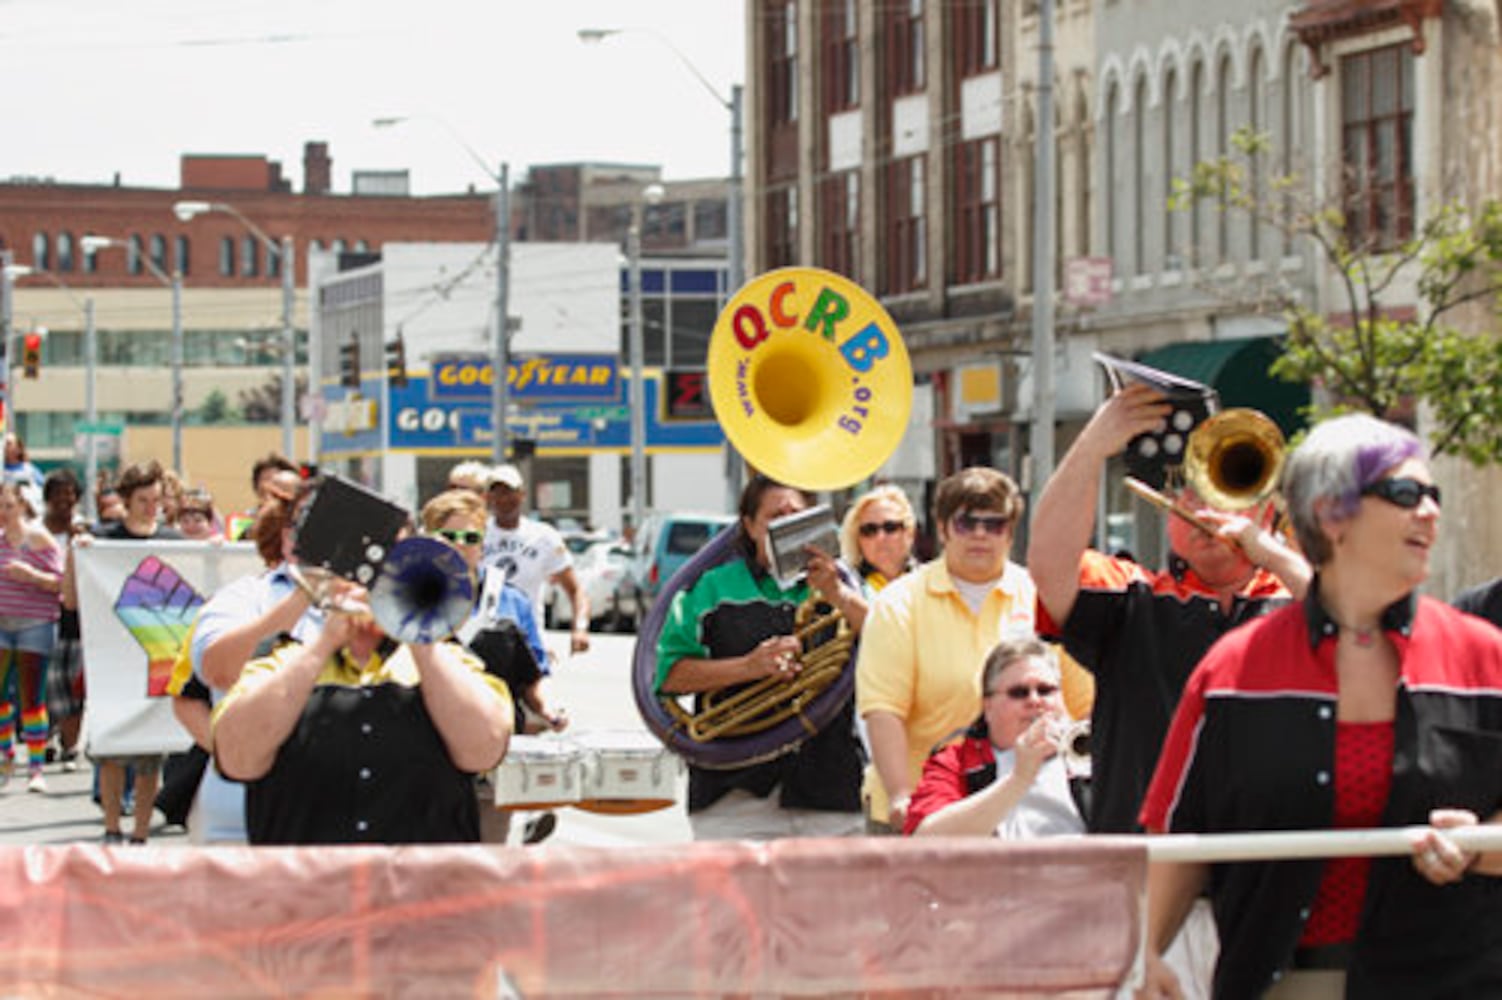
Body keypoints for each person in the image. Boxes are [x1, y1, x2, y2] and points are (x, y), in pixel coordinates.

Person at [1139, 414, 1502, 999]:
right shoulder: (1231, 670)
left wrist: (1483, 845)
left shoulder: (1487, 657)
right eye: (1406, 494)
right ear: (1331, 514)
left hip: (1454, 981)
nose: (1431, 511)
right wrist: (1145, 953)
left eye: (1433, 495)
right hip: (1278, 984)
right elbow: (1181, 836)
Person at [1027, 381, 1312, 835]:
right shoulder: (1132, 595)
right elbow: (1047, 563)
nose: (1206, 508)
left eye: (1225, 489)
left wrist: (1270, 553)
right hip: (1148, 861)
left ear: (1265, 511)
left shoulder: (1296, 595)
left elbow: (1353, 625)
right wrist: (1092, 446)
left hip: (1264, 863)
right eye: (1189, 491)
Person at [211, 575, 513, 845]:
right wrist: (324, 643)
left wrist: (418, 638)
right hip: (306, 891)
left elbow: (482, 752)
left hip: (423, 891)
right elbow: (239, 760)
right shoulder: (283, 659)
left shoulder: (447, 658)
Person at [656, 474, 868, 840]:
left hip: (829, 786)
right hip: (734, 791)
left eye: (796, 515)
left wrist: (838, 594)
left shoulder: (841, 586)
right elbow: (669, 675)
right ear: (750, 526)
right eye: (775, 516)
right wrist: (747, 667)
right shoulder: (711, 586)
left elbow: (890, 643)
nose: (787, 524)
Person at [855, 467, 1051, 834]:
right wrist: (901, 796)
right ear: (943, 529)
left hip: (1023, 808)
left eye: (994, 524)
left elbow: (1076, 702)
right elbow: (883, 710)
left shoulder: (1040, 596)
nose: (980, 534)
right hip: (922, 807)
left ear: (1010, 533)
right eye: (966, 523)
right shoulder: (898, 602)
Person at [174, 479, 323, 843]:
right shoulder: (242, 597)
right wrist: (310, 592)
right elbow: (217, 671)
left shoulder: (383, 604)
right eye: (310, 525)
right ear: (289, 538)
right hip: (246, 812)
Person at [422, 488, 563, 845]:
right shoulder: (407, 596)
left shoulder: (509, 600)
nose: (459, 546)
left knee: (484, 868)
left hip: (492, 758)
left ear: (482, 545)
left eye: (470, 537)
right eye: (447, 537)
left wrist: (548, 709)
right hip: (425, 758)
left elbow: (531, 674)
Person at [66, 460, 181, 843]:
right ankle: (112, 827)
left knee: (151, 754)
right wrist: (77, 553)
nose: (152, 507)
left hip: (156, 658)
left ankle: (141, 833)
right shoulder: (103, 540)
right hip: (112, 659)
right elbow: (70, 599)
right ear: (127, 501)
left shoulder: (173, 540)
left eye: (156, 500)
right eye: (144, 500)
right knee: (111, 748)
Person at [906, 636, 1084, 838]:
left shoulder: (1094, 751)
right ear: (987, 706)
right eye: (1019, 692)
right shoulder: (954, 762)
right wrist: (1019, 778)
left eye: (1045, 690)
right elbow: (925, 840)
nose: (1035, 701)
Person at [481, 463, 590, 655]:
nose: (504, 499)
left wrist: (580, 628)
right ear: (488, 497)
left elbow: (575, 590)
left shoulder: (543, 536)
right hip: (482, 636)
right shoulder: (476, 534)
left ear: (522, 494)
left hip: (528, 638)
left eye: (510, 492)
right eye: (497, 493)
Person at [0, 482, 64, 792]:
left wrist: (31, 575)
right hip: (2, 624)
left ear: (22, 506)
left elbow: (61, 582)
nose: (3, 513)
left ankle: (36, 769)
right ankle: (7, 757)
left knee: (31, 696)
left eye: (8, 506)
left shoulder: (37, 538)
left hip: (34, 624)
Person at [41, 468, 87, 772]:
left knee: (75, 684)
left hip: (79, 620)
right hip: (44, 618)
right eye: (58, 493)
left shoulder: (84, 533)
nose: (64, 500)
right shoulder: (38, 532)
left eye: (70, 493)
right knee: (53, 683)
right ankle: (50, 736)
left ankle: (71, 747)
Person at [838, 484, 918, 592]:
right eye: (869, 530)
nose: (880, 537)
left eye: (890, 527)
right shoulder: (841, 587)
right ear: (858, 539)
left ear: (909, 532)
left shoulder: (930, 582)